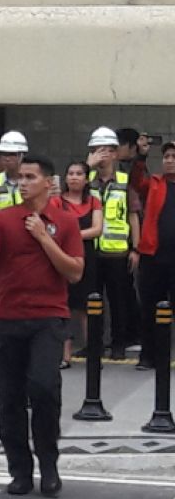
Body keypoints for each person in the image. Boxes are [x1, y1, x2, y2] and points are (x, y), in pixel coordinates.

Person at [0, 155, 83, 498]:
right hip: (7, 318)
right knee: (10, 398)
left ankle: (48, 463)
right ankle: (19, 469)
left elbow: (74, 271)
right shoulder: (3, 220)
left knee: (44, 387)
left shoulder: (65, 222)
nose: (23, 183)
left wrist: (43, 237)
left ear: (48, 183)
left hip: (48, 318)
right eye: (20, 177)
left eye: (31, 177)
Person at [86, 126, 142, 361]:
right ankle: (94, 344)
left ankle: (119, 343)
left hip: (118, 253)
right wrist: (87, 166)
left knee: (118, 302)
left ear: (115, 153)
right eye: (97, 150)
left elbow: (133, 215)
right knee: (92, 301)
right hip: (91, 251)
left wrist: (136, 249)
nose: (103, 155)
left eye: (107, 150)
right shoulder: (86, 179)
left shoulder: (124, 180)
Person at [129, 141, 175, 372]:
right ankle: (148, 356)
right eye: (166, 156)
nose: (168, 160)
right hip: (154, 256)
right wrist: (141, 156)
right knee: (149, 308)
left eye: (173, 156)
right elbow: (136, 183)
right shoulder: (155, 183)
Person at [52, 162, 103, 368]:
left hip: (87, 258)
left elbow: (97, 229)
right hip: (62, 255)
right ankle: (65, 356)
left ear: (86, 178)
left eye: (79, 174)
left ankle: (94, 354)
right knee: (63, 304)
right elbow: (53, 228)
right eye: (70, 173)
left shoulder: (93, 201)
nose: (74, 177)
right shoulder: (56, 202)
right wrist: (72, 238)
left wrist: (72, 236)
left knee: (87, 306)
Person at [0, 132, 29, 211]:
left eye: (11, 154)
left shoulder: (31, 182)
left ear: (22, 155)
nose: (7, 158)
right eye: (4, 154)